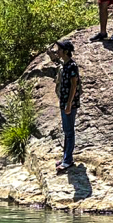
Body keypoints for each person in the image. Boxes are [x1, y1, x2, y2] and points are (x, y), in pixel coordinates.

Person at [48, 40, 81, 173]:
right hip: (64, 102)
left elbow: (74, 85)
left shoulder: (72, 66)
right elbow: (57, 62)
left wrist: (69, 104)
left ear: (66, 51)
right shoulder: (65, 64)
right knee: (66, 130)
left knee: (69, 131)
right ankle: (66, 158)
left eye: (60, 50)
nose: (58, 52)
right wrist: (51, 55)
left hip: (70, 103)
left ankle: (68, 160)